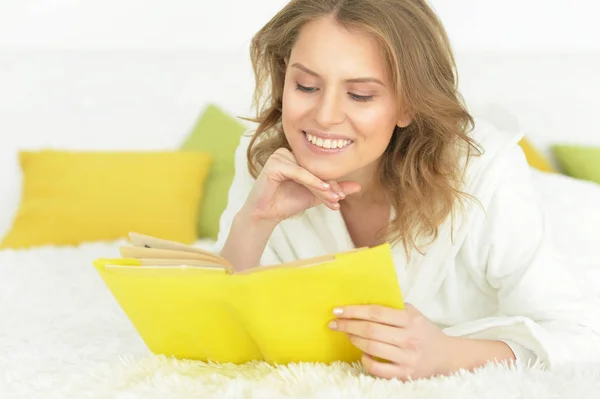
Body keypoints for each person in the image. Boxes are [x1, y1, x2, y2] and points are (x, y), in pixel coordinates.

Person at [215, 0, 600, 381]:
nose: (325, 115)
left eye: (360, 95)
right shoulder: (268, 160)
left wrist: (450, 354)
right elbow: (215, 336)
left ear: (407, 105)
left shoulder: (486, 172)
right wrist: (255, 219)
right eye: (306, 85)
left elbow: (580, 340)